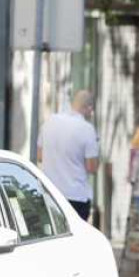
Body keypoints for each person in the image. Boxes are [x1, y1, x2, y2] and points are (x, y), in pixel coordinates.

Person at [39, 90, 99, 220]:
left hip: (49, 195)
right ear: (88, 108)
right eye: (91, 110)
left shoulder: (50, 121)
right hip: (76, 197)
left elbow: (40, 156)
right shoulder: (87, 129)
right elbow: (91, 167)